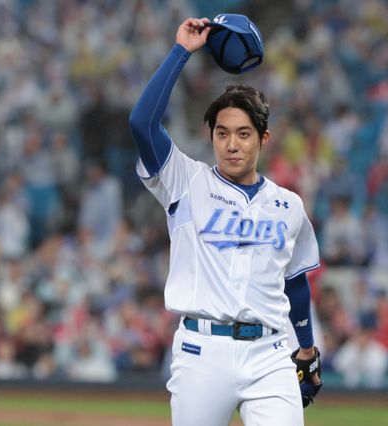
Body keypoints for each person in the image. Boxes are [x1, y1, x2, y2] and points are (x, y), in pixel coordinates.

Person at [129, 17, 321, 426]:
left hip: (270, 354)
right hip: (202, 352)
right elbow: (142, 123)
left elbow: (295, 281)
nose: (232, 144)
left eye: (244, 134)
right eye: (222, 133)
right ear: (212, 136)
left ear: (263, 139)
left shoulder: (289, 206)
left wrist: (306, 349)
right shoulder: (185, 181)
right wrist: (181, 51)